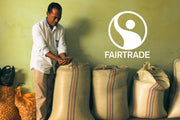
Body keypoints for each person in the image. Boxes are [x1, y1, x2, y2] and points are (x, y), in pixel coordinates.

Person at [30, 2, 71, 120]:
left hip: (52, 65)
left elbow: (61, 47)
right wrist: (59, 59)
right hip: (40, 65)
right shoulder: (37, 27)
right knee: (42, 97)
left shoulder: (60, 29)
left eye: (59, 17)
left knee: (50, 95)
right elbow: (43, 49)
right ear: (47, 14)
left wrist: (63, 59)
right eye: (54, 17)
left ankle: (47, 117)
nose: (57, 20)